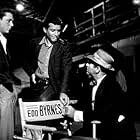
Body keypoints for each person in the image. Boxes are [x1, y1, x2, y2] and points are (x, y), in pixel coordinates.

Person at [64, 47, 136, 140]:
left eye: (90, 63)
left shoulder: (111, 86)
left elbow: (105, 114)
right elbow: (86, 105)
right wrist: (70, 111)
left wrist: (76, 115)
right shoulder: (91, 85)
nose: (86, 65)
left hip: (114, 133)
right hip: (96, 129)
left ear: (97, 69)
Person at [23, 16, 73, 105]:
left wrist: (63, 91)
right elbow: (25, 61)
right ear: (45, 30)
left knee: (42, 103)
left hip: (53, 85)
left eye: (58, 31)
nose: (56, 34)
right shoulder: (35, 43)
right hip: (36, 84)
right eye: (52, 30)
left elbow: (67, 70)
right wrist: (32, 73)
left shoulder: (64, 47)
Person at [0, 8, 21, 140]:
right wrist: (9, 85)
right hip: (3, 87)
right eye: (9, 21)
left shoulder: (4, 40)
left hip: (6, 87)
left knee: (6, 129)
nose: (12, 25)